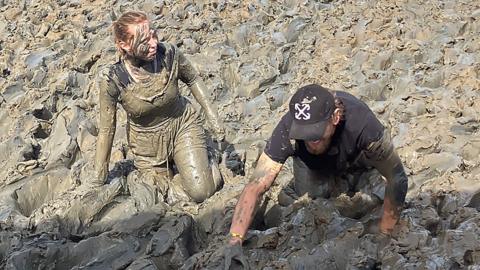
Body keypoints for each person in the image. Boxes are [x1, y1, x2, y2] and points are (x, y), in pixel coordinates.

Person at [227, 84, 408, 246]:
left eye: (315, 134)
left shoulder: (362, 123)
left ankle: (351, 177)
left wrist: (386, 233)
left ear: (335, 118)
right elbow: (256, 185)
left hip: (356, 159)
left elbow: (397, 177)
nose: (309, 141)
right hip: (312, 165)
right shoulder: (288, 126)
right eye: (303, 134)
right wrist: (235, 239)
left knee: (372, 200)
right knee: (313, 200)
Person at [94, 11, 223, 204]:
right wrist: (100, 177)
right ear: (125, 45)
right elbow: (106, 130)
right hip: (148, 146)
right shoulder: (112, 78)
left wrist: (212, 116)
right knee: (157, 198)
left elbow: (193, 79)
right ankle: (177, 175)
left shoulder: (169, 54)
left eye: (154, 34)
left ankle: (207, 157)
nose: (154, 43)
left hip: (182, 127)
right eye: (145, 40)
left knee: (200, 192)